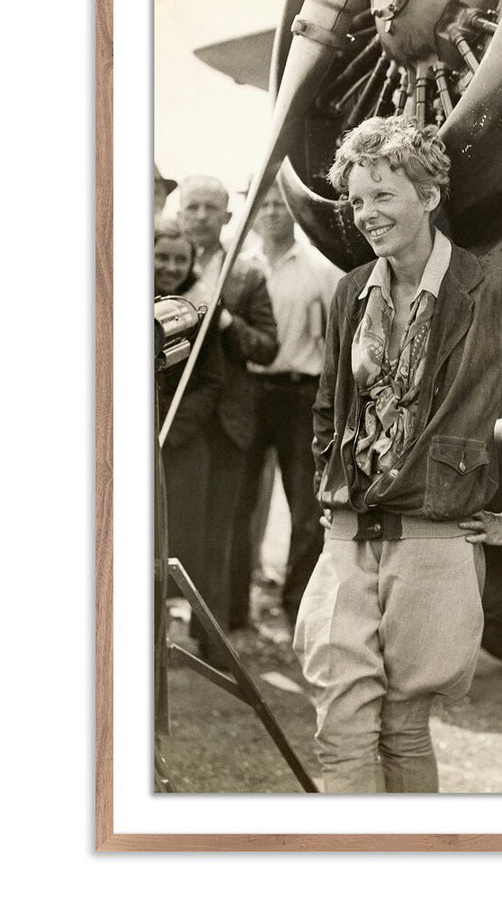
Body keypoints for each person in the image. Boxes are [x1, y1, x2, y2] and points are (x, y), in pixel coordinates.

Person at [294, 117, 502, 793]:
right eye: (358, 199)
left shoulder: (492, 294)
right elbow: (327, 409)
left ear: (428, 195)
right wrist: (330, 487)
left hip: (434, 546)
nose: (366, 214)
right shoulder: (352, 292)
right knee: (339, 731)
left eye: (383, 195)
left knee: (403, 730)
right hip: (346, 541)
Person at [229, 183, 343, 629]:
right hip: (249, 394)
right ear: (252, 213)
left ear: (294, 210)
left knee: (307, 508)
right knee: (239, 504)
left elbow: (339, 336)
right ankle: (233, 611)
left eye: (280, 204)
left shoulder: (320, 268)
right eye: (265, 205)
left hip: (301, 395)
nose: (273, 212)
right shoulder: (238, 268)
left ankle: (300, 611)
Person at [177, 175, 279, 643]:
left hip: (227, 422)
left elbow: (267, 347)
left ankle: (213, 635)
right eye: (192, 207)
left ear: (227, 216)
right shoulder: (158, 264)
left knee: (221, 529)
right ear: (179, 213)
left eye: (210, 208)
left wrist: (227, 322)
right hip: (172, 420)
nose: (200, 216)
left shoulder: (247, 275)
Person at [153, 218, 224, 659]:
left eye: (181, 259)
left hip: (182, 444)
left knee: (187, 541)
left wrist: (172, 429)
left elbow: (212, 383)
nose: (170, 266)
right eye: (161, 256)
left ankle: (205, 640)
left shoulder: (201, 309)